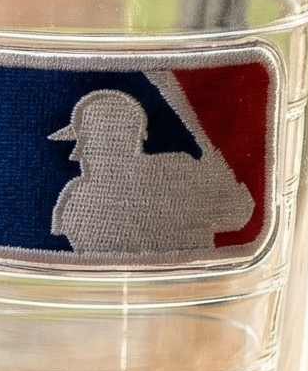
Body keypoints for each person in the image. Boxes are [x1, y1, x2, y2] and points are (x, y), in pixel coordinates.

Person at [49, 88, 252, 256]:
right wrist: (219, 175)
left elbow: (238, 213)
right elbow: (239, 213)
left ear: (107, 144)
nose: (76, 156)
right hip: (188, 289)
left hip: (116, 295)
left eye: (84, 144)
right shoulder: (182, 170)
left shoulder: (80, 199)